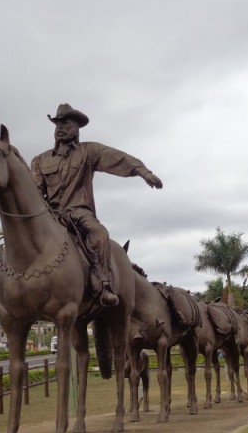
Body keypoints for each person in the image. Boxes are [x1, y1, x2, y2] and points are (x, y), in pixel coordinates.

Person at [31, 103, 163, 307]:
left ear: (77, 128)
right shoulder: (40, 160)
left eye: (66, 123)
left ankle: (103, 282)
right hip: (51, 215)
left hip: (79, 212)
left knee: (99, 233)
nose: (60, 128)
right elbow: (35, 191)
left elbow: (118, 158)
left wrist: (143, 171)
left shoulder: (89, 151)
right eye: (57, 124)